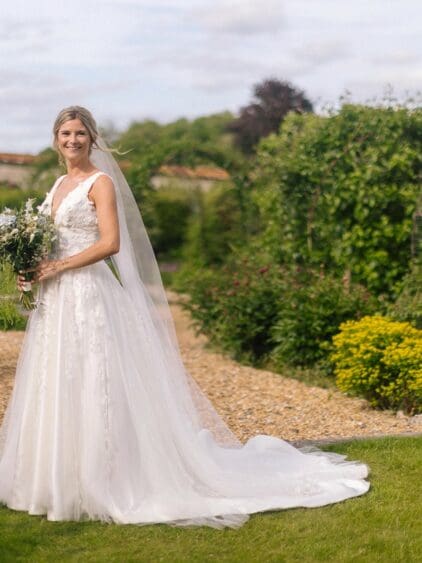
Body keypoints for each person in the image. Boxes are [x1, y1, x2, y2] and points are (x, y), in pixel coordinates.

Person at [0, 106, 370, 529]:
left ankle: (106, 477)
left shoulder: (100, 183)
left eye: (80, 133)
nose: (72, 140)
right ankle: (54, 478)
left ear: (93, 138)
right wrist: (34, 263)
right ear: (55, 139)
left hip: (88, 294)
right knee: (57, 379)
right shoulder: (59, 182)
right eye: (65, 133)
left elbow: (111, 243)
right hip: (58, 297)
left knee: (93, 378)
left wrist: (60, 267)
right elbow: (52, 237)